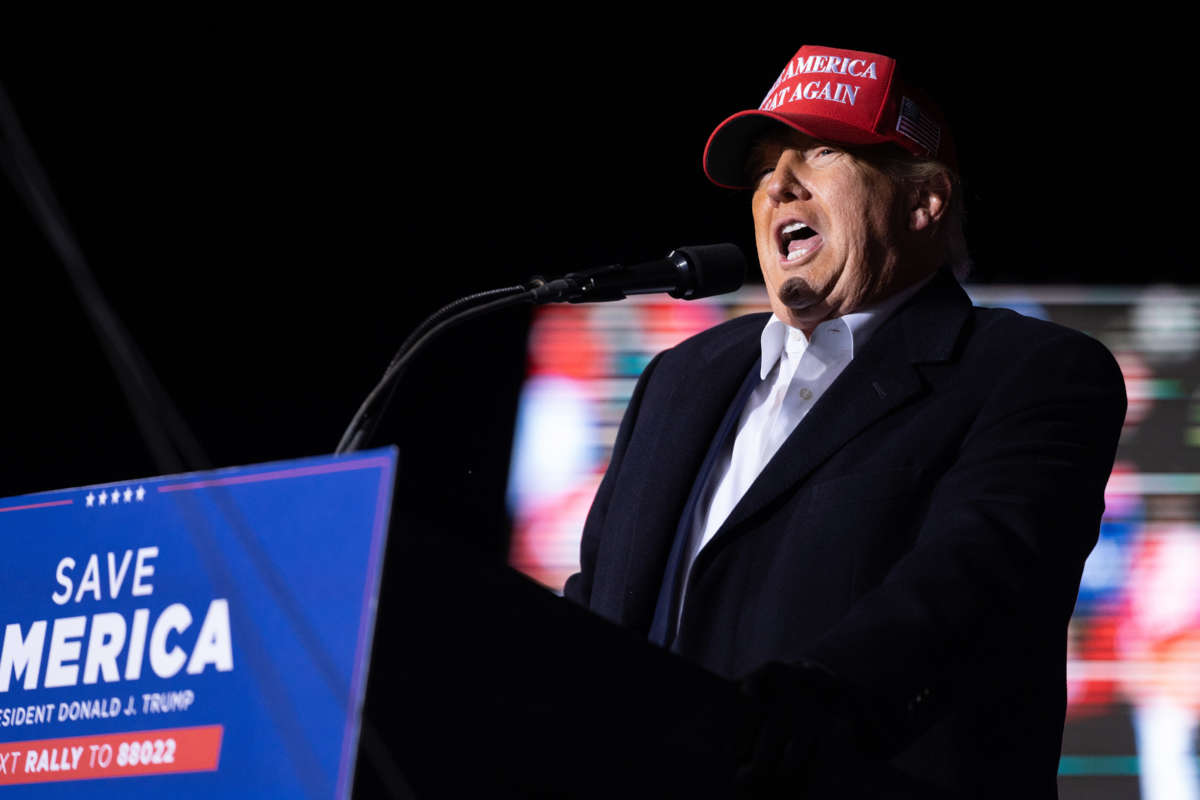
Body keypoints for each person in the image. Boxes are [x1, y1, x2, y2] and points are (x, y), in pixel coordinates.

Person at [563, 44, 1127, 797]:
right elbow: (600, 597)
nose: (778, 186)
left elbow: (975, 579)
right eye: (764, 167)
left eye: (820, 153)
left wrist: (818, 699)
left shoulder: (1031, 370)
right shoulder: (680, 378)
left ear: (925, 200)